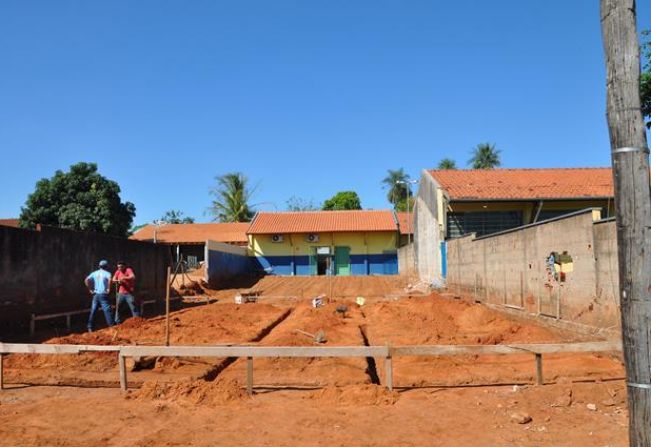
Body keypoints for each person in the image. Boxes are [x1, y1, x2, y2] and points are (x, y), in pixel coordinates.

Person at [85, 260, 115, 332]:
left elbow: (86, 280)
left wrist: (90, 289)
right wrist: (108, 289)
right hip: (103, 294)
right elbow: (110, 280)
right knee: (107, 310)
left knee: (93, 310)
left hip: (95, 294)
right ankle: (112, 326)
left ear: (99, 266)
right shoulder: (108, 273)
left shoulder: (94, 273)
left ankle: (90, 327)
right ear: (106, 266)